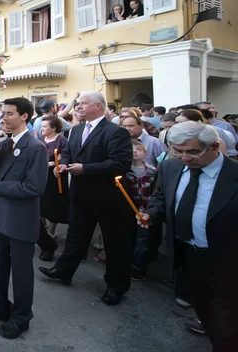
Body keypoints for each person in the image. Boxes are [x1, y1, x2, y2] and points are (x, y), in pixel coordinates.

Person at [140, 122, 238, 350]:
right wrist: (151, 214)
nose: (184, 157)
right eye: (178, 151)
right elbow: (161, 198)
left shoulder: (233, 175)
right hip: (189, 258)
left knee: (227, 323)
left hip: (229, 260)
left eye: (192, 152)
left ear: (214, 147)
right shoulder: (170, 168)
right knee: (205, 313)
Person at [39, 91, 134, 306]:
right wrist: (63, 164)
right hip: (80, 194)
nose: (78, 107)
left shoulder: (115, 132)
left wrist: (86, 169)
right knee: (75, 236)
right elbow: (68, 153)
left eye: (83, 104)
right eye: (78, 104)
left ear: (98, 106)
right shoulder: (77, 130)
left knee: (114, 243)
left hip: (108, 196)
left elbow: (120, 164)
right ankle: (64, 271)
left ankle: (116, 286)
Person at [0, 97, 48, 339]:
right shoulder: (6, 143)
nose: (3, 118)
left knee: (21, 272)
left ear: (24, 116)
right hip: (1, 217)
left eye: (9, 114)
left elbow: (33, 188)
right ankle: (0, 304)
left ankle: (21, 317)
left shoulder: (36, 147)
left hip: (21, 220)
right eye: (2, 113)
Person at [126, 140, 157, 281]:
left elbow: (156, 191)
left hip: (144, 210)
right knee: (127, 237)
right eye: (131, 149)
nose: (134, 151)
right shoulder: (124, 170)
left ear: (145, 154)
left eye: (138, 149)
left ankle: (138, 268)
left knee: (142, 241)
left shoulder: (152, 171)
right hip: (127, 210)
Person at [38, 115, 69, 256]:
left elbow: (65, 157)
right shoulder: (39, 141)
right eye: (41, 126)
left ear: (54, 127)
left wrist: (54, 163)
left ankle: (52, 229)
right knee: (41, 204)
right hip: (42, 177)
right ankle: (44, 228)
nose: (41, 129)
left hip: (56, 177)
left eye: (44, 126)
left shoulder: (62, 141)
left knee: (55, 204)